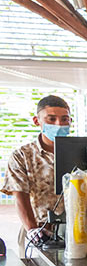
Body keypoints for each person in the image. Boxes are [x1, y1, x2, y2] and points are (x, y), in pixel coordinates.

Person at [1, 95, 70, 250]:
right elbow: (20, 197)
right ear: (37, 121)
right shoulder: (22, 156)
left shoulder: (84, 152)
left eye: (64, 119)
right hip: (40, 232)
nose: (59, 124)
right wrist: (32, 229)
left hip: (77, 232)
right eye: (51, 119)